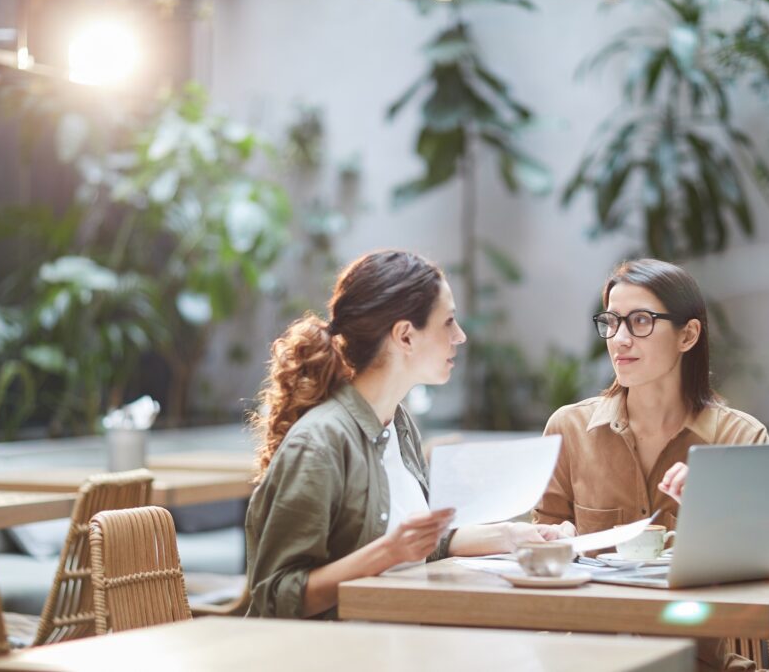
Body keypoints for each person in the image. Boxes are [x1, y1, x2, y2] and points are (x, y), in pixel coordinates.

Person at [245, 249, 572, 619]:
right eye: (448, 322)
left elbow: (415, 545)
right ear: (405, 336)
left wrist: (511, 537)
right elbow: (274, 598)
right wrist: (389, 551)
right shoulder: (320, 442)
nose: (460, 336)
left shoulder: (398, 424)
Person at [533, 258, 769, 671]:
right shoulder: (568, 430)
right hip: (593, 655)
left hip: (703, 659)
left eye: (640, 321)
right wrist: (551, 538)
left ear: (688, 334)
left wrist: (718, 503)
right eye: (611, 321)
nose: (619, 339)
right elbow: (539, 544)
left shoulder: (740, 438)